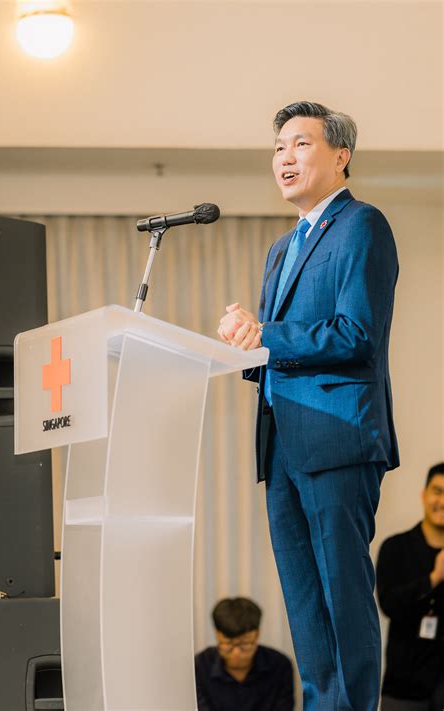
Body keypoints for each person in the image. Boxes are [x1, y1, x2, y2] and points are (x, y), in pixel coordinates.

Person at [217, 101, 400, 711]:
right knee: (303, 602)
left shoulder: (362, 225)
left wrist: (265, 333)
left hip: (336, 438)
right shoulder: (281, 248)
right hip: (282, 443)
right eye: (277, 148)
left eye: (300, 144)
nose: (284, 158)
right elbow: (279, 348)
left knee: (342, 597)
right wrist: (243, 344)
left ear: (340, 155)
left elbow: (358, 334)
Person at [377, 462, 444, 711]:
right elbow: (389, 605)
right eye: (437, 491)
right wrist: (434, 578)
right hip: (404, 686)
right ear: (424, 495)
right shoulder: (395, 548)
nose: (442, 501)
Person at [195, 597, 294, 710]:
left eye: (245, 644)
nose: (236, 653)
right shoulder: (200, 666)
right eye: (228, 644)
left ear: (257, 634)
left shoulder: (279, 665)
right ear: (218, 635)